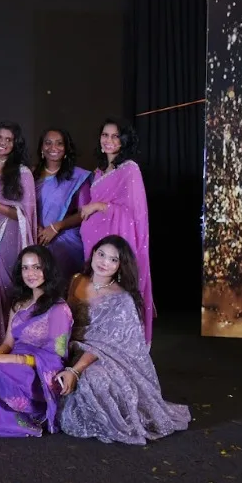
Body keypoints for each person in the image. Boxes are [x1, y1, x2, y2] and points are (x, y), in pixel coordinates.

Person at [56, 236, 190, 444]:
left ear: (120, 265)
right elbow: (61, 318)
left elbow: (107, 345)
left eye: (113, 259)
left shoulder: (122, 298)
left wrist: (75, 370)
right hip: (69, 344)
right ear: (93, 253)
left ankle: (108, 421)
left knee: (93, 379)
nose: (104, 262)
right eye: (101, 254)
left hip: (102, 356)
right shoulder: (76, 280)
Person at [0, 245, 72, 437]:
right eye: (25, 268)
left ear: (48, 269)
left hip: (37, 370)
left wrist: (12, 359)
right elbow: (8, 343)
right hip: (12, 362)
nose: (30, 273)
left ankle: (22, 420)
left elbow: (56, 357)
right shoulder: (19, 304)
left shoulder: (59, 309)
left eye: (36, 267)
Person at [79, 119, 155, 341]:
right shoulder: (100, 171)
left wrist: (98, 206)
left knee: (115, 291)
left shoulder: (129, 169)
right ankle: (97, 342)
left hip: (116, 241)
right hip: (94, 242)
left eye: (115, 136)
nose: (109, 140)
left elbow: (133, 213)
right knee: (94, 292)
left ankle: (118, 344)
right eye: (105, 135)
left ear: (123, 141)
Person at [0, 122, 37, 348]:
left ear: (15, 144)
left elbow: (24, 214)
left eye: (8, 140)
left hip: (9, 236)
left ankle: (8, 345)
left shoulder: (22, 173)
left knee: (3, 285)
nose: (2, 143)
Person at [34, 128, 91, 279]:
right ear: (41, 148)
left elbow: (84, 212)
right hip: (35, 238)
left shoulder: (78, 176)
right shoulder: (31, 175)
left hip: (66, 243)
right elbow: (25, 207)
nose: (53, 147)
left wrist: (57, 227)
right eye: (48, 143)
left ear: (66, 149)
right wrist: (35, 226)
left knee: (60, 285)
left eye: (59, 143)